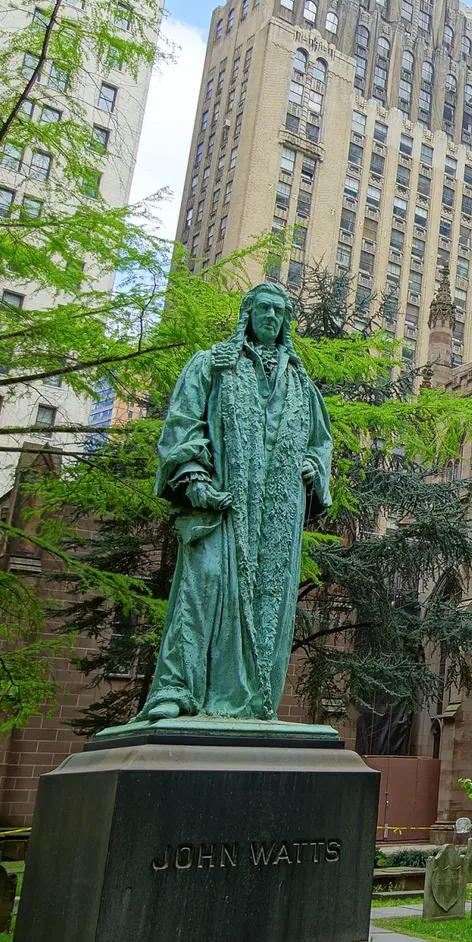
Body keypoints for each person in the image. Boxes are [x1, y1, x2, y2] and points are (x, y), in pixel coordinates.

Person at [135, 283, 333, 721]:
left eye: (279, 311)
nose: (271, 317)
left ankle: (254, 702)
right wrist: (194, 478)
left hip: (277, 518)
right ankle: (176, 689)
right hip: (222, 508)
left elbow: (320, 444)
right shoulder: (213, 364)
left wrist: (312, 468)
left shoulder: (301, 385)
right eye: (264, 309)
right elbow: (182, 425)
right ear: (248, 313)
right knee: (202, 586)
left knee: (270, 603)